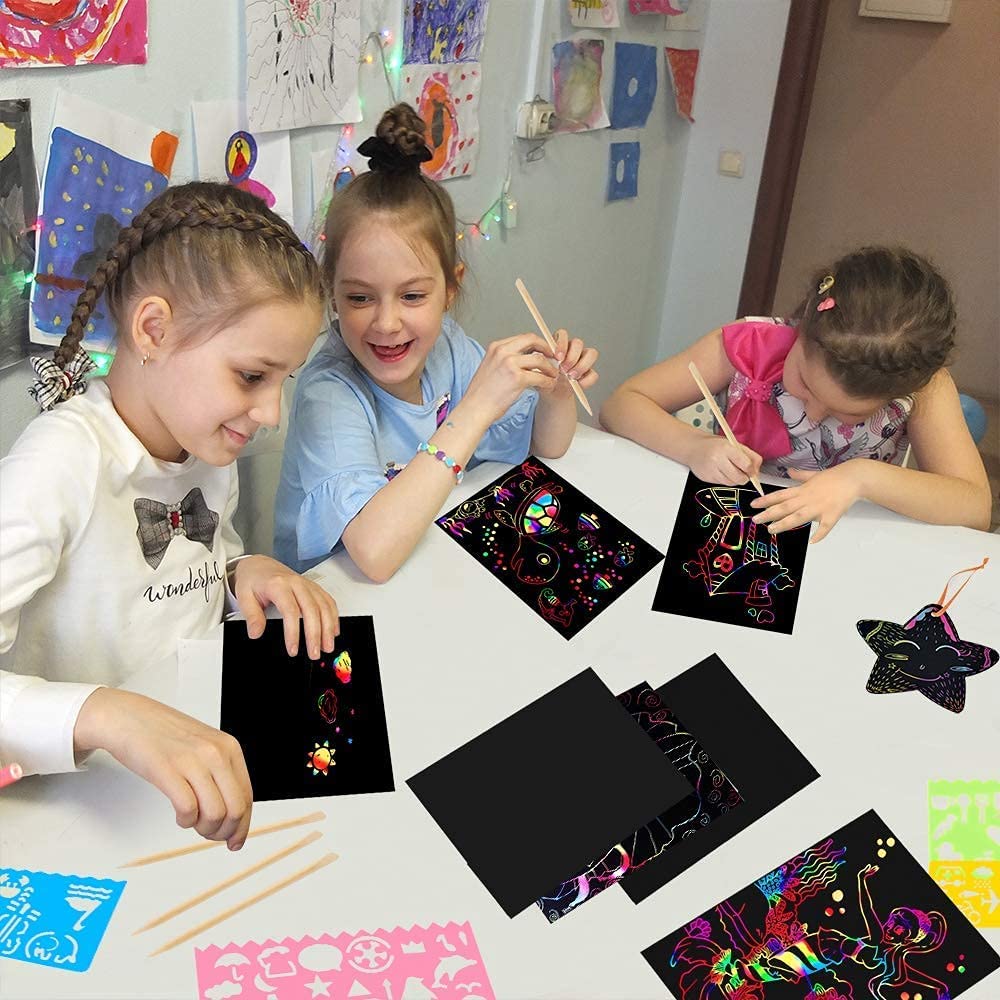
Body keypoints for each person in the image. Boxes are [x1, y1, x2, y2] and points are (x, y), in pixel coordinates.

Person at [0, 182, 339, 851]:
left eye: (285, 380)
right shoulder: (59, 464)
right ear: (153, 330)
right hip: (77, 821)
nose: (272, 414)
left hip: (182, 789)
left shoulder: (204, 442)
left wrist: (242, 572)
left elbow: (192, 565)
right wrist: (108, 714)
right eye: (252, 377)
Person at [274, 103, 600, 581]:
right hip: (339, 597)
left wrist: (557, 389)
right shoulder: (329, 392)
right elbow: (374, 556)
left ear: (450, 289)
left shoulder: (447, 345)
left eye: (412, 296)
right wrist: (476, 408)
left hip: (428, 568)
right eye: (360, 297)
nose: (387, 323)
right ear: (332, 293)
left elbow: (546, 447)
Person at [601, 246, 991, 541]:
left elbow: (975, 509)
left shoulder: (925, 387)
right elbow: (621, 405)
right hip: (739, 529)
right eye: (805, 385)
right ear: (802, 326)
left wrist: (862, 478)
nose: (814, 415)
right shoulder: (745, 346)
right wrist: (694, 447)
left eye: (848, 413)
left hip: (851, 543)